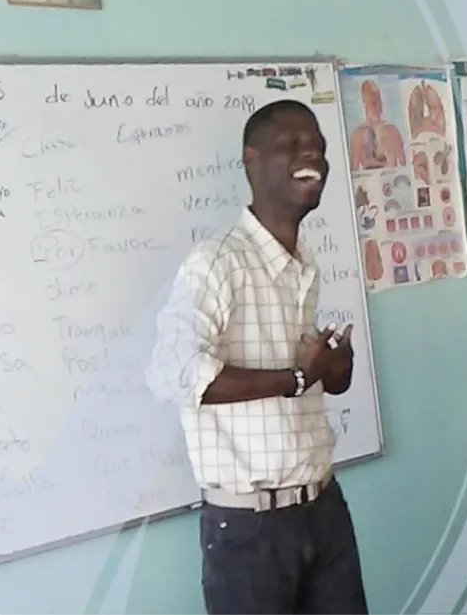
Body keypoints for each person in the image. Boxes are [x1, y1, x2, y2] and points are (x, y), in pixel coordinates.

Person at [145, 99, 369, 615]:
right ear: (251, 160)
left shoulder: (303, 263)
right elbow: (174, 371)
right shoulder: (216, 263)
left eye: (317, 146)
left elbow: (315, 381)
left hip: (323, 507)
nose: (310, 153)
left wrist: (335, 369)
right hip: (249, 530)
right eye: (292, 145)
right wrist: (294, 377)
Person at [349, 79, 406, 170]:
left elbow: (403, 162)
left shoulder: (392, 131)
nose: (378, 105)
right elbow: (354, 167)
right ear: (365, 103)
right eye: (373, 102)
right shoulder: (358, 134)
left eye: (379, 100)